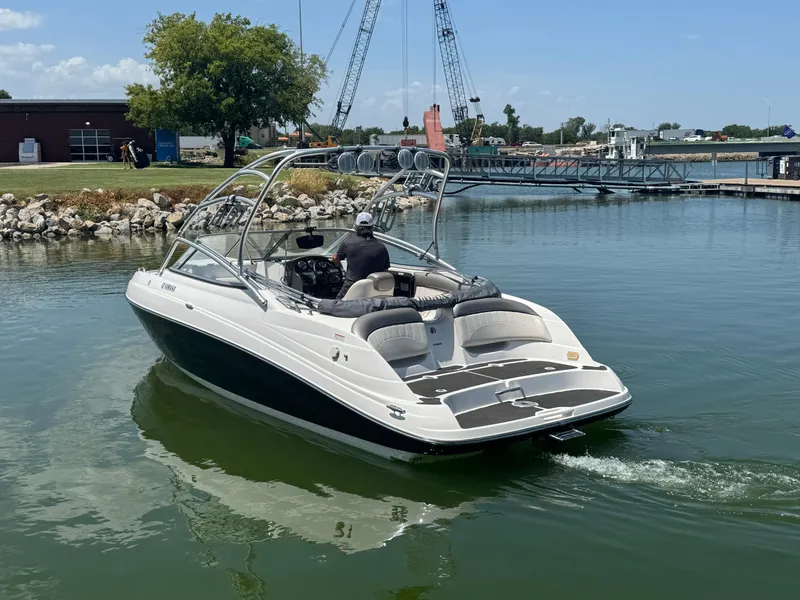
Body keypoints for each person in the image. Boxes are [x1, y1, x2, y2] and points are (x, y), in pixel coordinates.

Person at [331, 212, 391, 300]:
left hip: (353, 288)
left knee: (336, 302)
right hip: (375, 291)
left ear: (356, 227)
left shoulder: (348, 243)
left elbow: (336, 258)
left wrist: (334, 260)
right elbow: (385, 269)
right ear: (372, 227)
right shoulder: (382, 247)